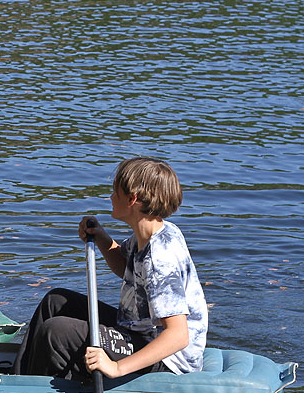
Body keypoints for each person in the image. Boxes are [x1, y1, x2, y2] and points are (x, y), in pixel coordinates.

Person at [12, 156, 208, 381]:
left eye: (116, 192)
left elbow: (178, 336)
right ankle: (21, 378)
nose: (111, 197)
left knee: (57, 332)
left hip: (167, 360)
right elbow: (126, 267)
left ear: (132, 199)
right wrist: (103, 239)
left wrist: (117, 368)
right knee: (55, 302)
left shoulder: (159, 258)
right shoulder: (151, 232)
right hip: (139, 328)